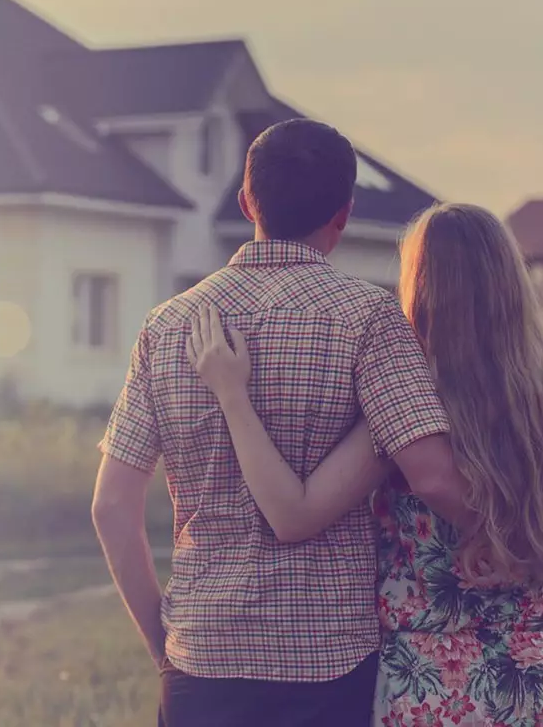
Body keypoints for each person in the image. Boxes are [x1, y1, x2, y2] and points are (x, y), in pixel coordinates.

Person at [91, 118, 476, 727]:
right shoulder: (371, 318)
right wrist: (533, 540)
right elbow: (431, 475)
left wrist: (165, 645)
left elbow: (112, 506)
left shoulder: (167, 326)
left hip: (203, 655)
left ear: (246, 201)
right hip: (327, 659)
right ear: (344, 214)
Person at [186, 202, 543, 726]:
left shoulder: (405, 409)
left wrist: (233, 396)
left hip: (428, 686)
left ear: (420, 288)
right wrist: (531, 576)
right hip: (535, 682)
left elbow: (294, 513)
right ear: (511, 286)